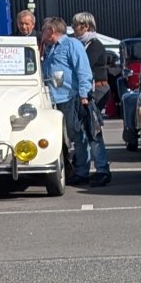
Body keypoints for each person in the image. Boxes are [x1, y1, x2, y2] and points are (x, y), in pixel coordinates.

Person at [42, 16, 110, 186]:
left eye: (44, 30)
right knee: (76, 137)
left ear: (51, 31)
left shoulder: (71, 45)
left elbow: (83, 70)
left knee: (92, 133)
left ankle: (102, 170)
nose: (41, 32)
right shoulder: (49, 48)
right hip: (57, 98)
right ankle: (82, 171)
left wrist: (84, 95)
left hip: (75, 97)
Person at [72, 12, 114, 116]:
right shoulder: (83, 44)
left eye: (75, 25)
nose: (73, 28)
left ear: (85, 27)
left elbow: (85, 66)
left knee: (92, 120)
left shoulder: (94, 45)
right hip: (90, 87)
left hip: (98, 89)